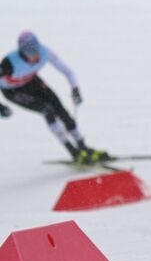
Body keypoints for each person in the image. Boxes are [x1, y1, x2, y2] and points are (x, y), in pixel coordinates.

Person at [0, 31, 109, 163]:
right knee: (48, 110)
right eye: (30, 53)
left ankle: (83, 147)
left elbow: (67, 71)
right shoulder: (8, 64)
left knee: (61, 109)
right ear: (22, 53)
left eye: (36, 50)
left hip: (31, 81)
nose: (35, 56)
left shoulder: (45, 52)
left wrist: (75, 89)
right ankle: (73, 152)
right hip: (13, 91)